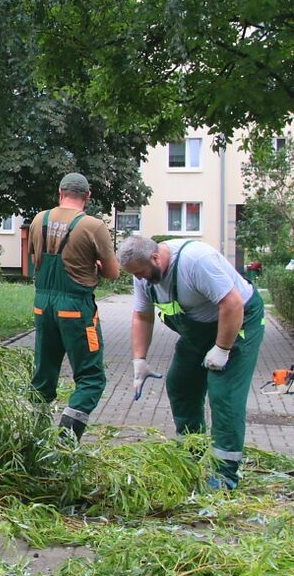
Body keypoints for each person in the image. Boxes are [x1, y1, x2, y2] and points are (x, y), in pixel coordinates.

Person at [117, 234, 265, 490]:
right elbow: (142, 316)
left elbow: (232, 304)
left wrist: (221, 349)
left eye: (141, 273)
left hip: (238, 323)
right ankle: (192, 456)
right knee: (180, 384)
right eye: (135, 275)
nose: (139, 279)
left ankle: (225, 474)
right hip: (198, 331)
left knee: (224, 393)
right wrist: (139, 360)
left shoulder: (195, 261)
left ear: (155, 257)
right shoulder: (143, 273)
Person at [28, 172, 121, 439]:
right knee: (91, 378)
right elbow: (113, 273)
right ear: (87, 197)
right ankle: (65, 442)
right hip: (76, 309)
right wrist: (97, 266)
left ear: (60, 193)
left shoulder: (38, 219)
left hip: (42, 305)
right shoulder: (92, 225)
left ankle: (35, 436)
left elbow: (36, 259)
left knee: (43, 375)